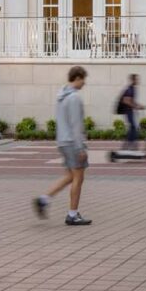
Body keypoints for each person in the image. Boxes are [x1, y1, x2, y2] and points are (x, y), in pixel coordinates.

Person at [34, 65, 92, 226]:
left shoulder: (61, 96)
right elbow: (76, 125)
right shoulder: (74, 98)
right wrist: (81, 148)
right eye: (83, 80)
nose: (84, 83)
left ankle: (43, 199)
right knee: (79, 178)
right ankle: (72, 215)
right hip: (73, 143)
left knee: (70, 177)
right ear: (78, 78)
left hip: (62, 141)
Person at [118, 74, 144, 149]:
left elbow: (132, 101)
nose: (138, 81)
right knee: (133, 127)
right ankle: (129, 145)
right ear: (132, 80)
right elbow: (126, 101)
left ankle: (129, 145)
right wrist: (136, 106)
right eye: (136, 79)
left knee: (133, 128)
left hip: (130, 111)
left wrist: (139, 106)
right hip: (127, 111)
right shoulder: (129, 89)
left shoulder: (133, 88)